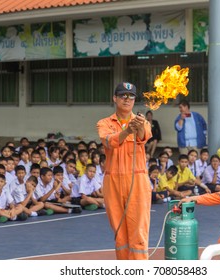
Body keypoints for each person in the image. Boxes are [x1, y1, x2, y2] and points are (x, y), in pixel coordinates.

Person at [97, 81, 152, 260]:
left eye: (131, 97)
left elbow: (144, 136)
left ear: (134, 100)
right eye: (123, 96)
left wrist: (138, 127)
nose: (127, 99)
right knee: (120, 234)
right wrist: (127, 131)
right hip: (113, 182)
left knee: (138, 233)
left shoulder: (142, 122)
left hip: (137, 181)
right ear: (115, 98)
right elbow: (108, 142)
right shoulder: (104, 123)